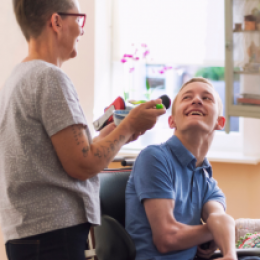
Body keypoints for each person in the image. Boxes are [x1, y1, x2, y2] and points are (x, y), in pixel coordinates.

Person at [0, 0, 166, 259]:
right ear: (56, 22)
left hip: (28, 233)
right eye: (79, 20)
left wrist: (113, 134)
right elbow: (83, 164)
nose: (81, 29)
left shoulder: (17, 78)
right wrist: (130, 124)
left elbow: (65, 154)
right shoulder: (50, 78)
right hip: (53, 234)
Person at [125, 77, 237, 260]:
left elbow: (220, 218)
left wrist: (230, 254)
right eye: (187, 97)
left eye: (207, 98)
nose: (196, 100)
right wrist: (217, 231)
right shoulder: (154, 157)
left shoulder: (206, 179)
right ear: (172, 121)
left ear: (220, 122)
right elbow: (166, 239)